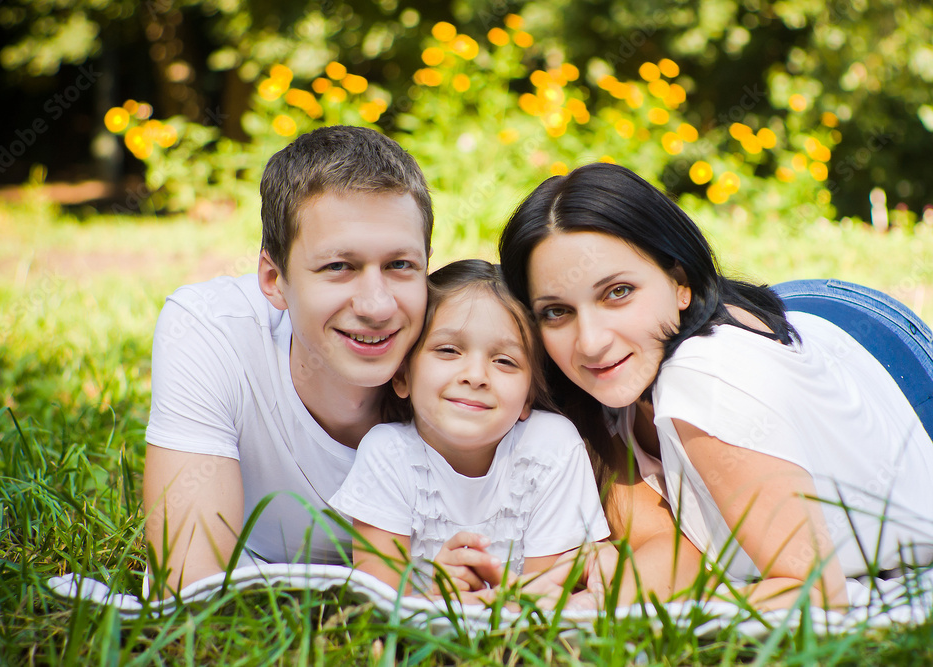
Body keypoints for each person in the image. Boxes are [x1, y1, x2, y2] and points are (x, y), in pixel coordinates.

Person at [498, 162, 933, 609]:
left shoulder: (704, 377)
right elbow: (676, 554)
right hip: (790, 319)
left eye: (618, 292)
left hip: (891, 361)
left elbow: (816, 593)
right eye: (556, 311)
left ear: (680, 281)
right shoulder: (605, 386)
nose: (590, 342)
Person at [142, 125, 433, 593]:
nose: (377, 306)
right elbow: (189, 584)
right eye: (339, 267)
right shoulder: (212, 329)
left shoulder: (469, 356)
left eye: (400, 265)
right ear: (274, 278)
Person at [329, 259, 611, 595]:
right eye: (448, 350)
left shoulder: (550, 447)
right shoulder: (387, 453)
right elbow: (377, 605)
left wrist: (493, 600)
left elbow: (544, 602)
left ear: (528, 396)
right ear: (402, 375)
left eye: (505, 361)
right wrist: (438, 596)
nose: (475, 376)